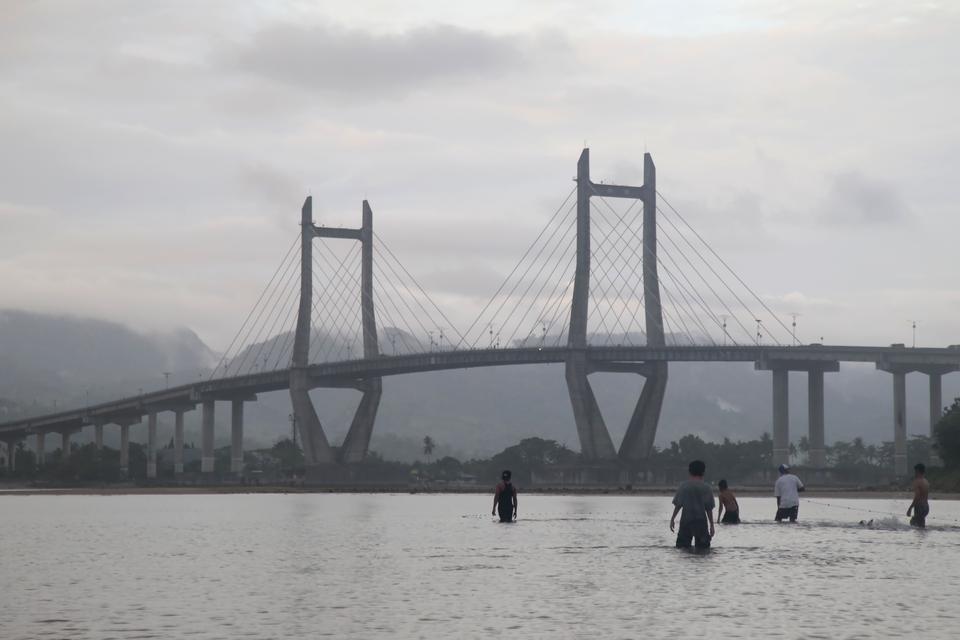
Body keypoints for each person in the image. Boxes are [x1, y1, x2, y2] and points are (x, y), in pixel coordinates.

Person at [670, 460, 716, 549]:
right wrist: (712, 525)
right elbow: (709, 508)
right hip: (701, 522)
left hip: (686, 521)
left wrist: (672, 519)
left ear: (689, 471)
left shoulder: (684, 486)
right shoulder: (706, 488)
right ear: (703, 472)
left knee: (682, 548)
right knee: (703, 549)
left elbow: (678, 505)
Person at [907, 463, 930, 528]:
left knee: (913, 523)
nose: (915, 473)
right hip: (926, 507)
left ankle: (919, 538)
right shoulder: (926, 481)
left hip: (920, 507)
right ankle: (923, 537)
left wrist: (910, 508)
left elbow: (917, 497)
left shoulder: (917, 482)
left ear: (917, 471)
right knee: (921, 525)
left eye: (915, 471)